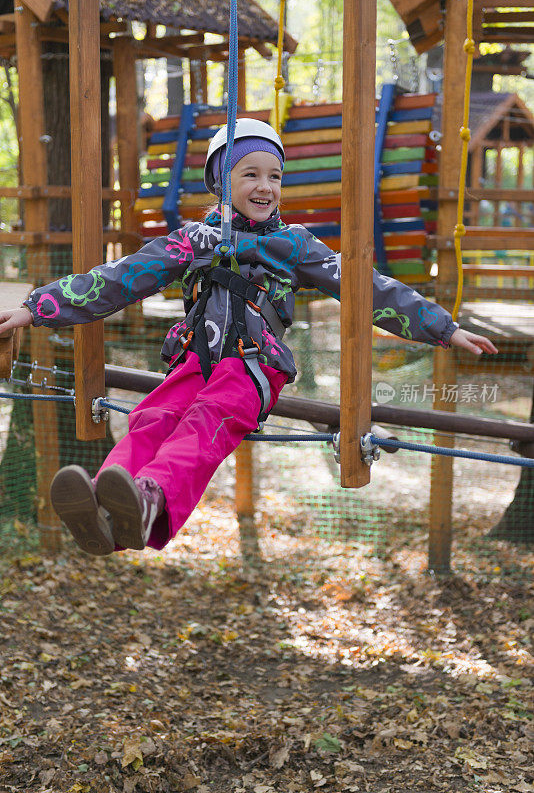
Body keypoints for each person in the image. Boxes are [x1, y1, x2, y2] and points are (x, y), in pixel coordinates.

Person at [0, 119, 498, 556]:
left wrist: (444, 328)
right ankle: (106, 506)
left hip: (253, 367)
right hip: (195, 361)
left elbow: (367, 287)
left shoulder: (295, 245)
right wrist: (37, 306)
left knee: (206, 420)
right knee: (153, 416)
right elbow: (120, 277)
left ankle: (150, 499)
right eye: (251, 175)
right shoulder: (192, 242)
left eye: (275, 176)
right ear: (221, 181)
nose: (266, 187)